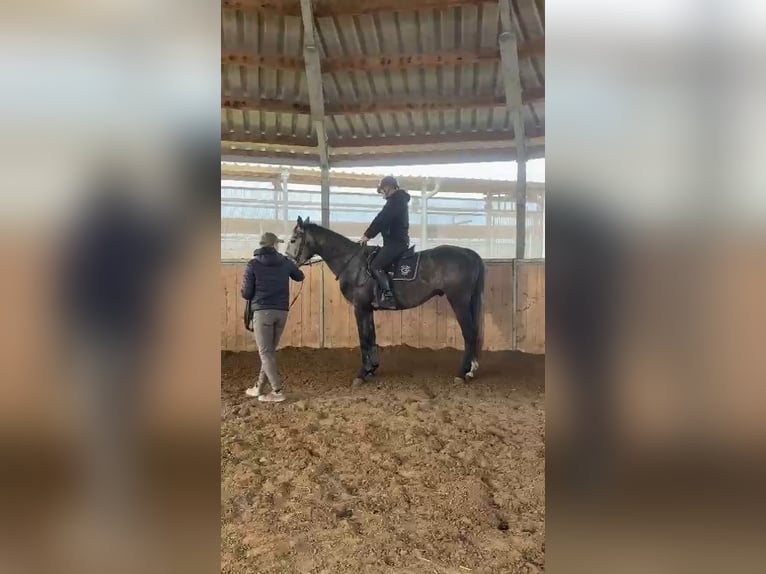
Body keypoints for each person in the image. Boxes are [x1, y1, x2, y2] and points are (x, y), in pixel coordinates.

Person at [240, 232, 305, 402]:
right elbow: (300, 277)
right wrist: (292, 265)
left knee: (265, 352)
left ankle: (277, 391)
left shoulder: (253, 264)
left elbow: (246, 293)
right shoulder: (285, 262)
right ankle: (259, 387)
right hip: (281, 312)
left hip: (262, 313)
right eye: (278, 244)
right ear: (274, 245)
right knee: (269, 352)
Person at [359, 176, 411, 310]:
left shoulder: (396, 201)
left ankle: (389, 298)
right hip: (393, 242)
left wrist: (367, 235)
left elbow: (382, 219)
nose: (382, 192)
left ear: (388, 187)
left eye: (382, 189)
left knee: (376, 266)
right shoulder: (396, 201)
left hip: (396, 243)